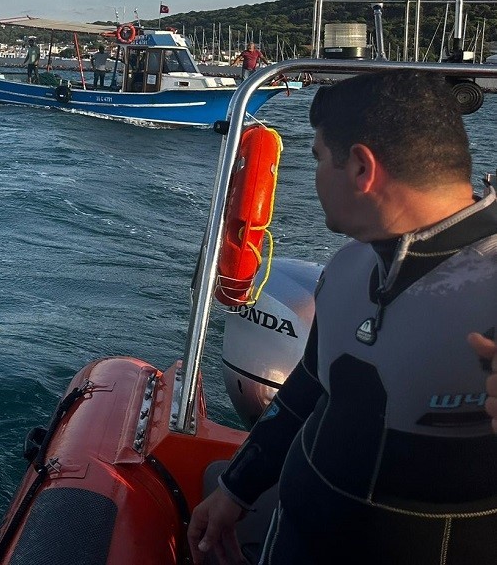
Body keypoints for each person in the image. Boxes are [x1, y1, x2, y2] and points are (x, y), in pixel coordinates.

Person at [188, 70, 497, 565]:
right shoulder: (350, 265)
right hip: (293, 538)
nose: (313, 179)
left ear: (360, 168)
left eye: (316, 159)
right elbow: (306, 389)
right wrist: (235, 489)